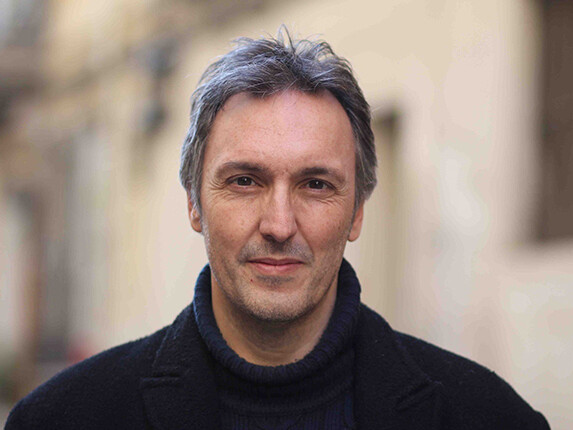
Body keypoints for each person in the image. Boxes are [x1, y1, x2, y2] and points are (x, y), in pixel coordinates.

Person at [6, 29, 550, 430]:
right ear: (194, 203)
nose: (279, 225)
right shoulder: (62, 419)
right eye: (245, 181)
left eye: (316, 184)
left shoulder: (489, 417)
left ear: (357, 211)